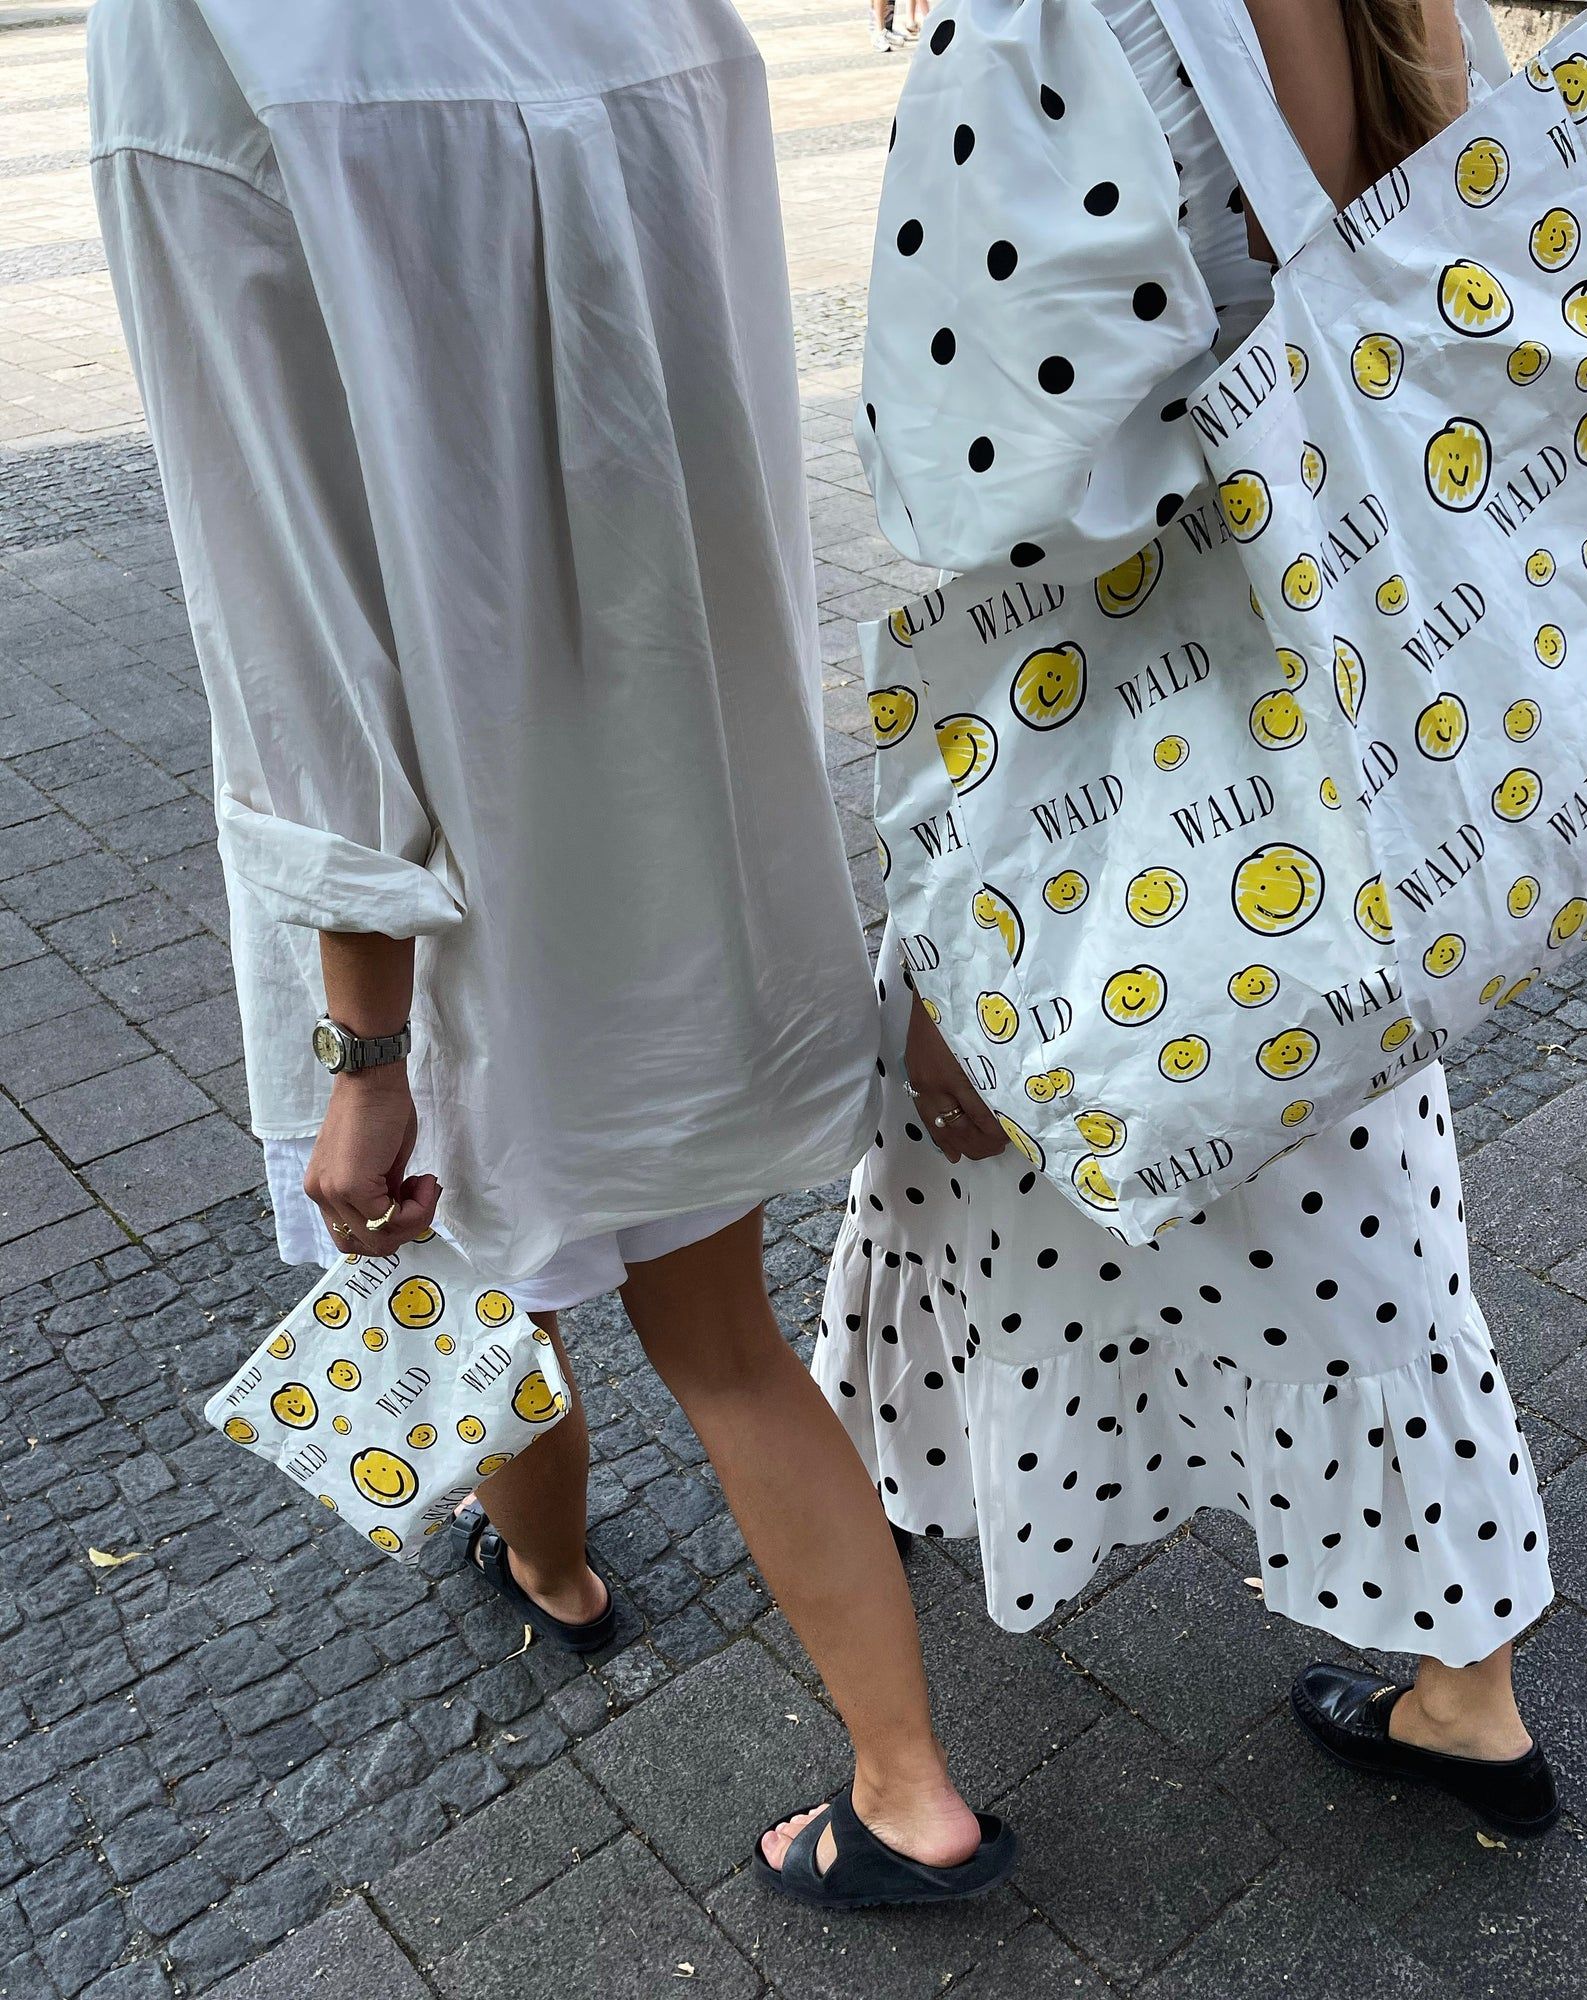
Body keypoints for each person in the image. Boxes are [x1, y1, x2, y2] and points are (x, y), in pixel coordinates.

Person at [89, 0, 1014, 1908]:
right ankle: (910, 1787)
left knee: (446, 1245)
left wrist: (362, 1046)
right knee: (724, 1331)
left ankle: (558, 1570)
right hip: (681, 789)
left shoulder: (194, 29)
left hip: (435, 802)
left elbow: (279, 572)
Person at [814, 0, 1561, 1841]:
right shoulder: (1396, 8)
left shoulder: (1049, 28)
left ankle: (887, 1491)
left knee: (981, 1133)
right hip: (1345, 743)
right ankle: (1464, 1683)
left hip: (1122, 770)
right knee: (1357, 1194)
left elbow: (972, 491)